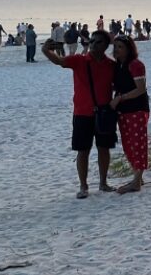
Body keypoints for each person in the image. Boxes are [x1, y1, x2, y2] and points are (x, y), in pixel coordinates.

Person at [41, 30, 116, 199]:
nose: (93, 45)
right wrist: (46, 51)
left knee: (104, 149)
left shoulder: (111, 65)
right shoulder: (79, 60)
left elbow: (118, 85)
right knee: (83, 150)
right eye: (92, 41)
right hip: (82, 113)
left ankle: (103, 183)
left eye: (98, 42)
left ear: (105, 45)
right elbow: (59, 61)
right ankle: (84, 186)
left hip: (104, 113)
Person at [110, 35, 150, 194]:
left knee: (138, 142)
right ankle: (137, 176)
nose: (117, 50)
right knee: (128, 144)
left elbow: (140, 89)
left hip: (137, 109)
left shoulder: (135, 65)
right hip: (123, 110)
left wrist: (120, 97)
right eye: (115, 47)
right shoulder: (119, 65)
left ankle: (136, 181)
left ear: (129, 48)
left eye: (120, 47)